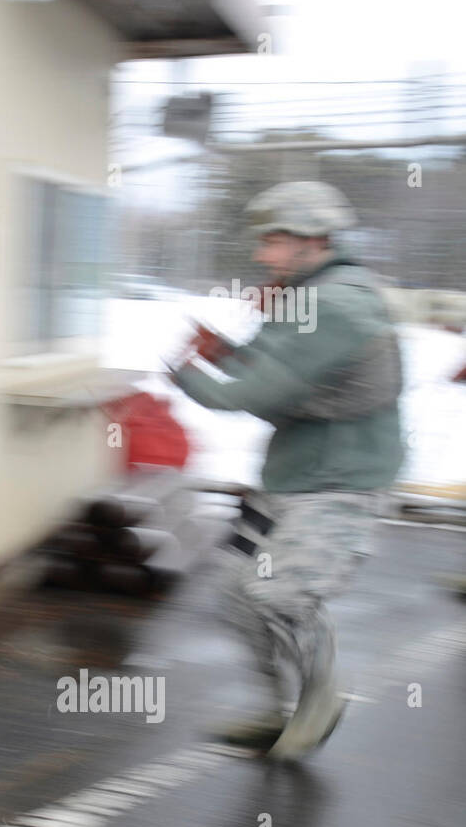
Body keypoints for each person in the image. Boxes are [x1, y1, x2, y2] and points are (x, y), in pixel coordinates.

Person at [166, 180, 404, 762]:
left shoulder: (336, 303)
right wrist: (226, 350)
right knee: (231, 594)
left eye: (272, 241)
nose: (262, 255)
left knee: (277, 595)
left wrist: (181, 369)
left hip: (341, 485)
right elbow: (279, 375)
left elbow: (249, 394)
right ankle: (274, 710)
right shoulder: (308, 293)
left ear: (311, 239)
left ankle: (321, 700)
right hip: (293, 476)